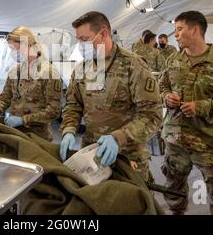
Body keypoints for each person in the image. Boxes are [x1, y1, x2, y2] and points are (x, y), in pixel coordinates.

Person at [159, 11, 213, 215]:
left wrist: (202, 107)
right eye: (175, 31)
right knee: (174, 189)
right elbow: (161, 85)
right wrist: (166, 96)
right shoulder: (173, 60)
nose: (176, 35)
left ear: (195, 30)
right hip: (175, 141)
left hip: (209, 142)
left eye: (180, 29)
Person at [59, 11, 162, 182]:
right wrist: (69, 130)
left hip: (128, 157)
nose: (79, 45)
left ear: (104, 34)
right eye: (78, 40)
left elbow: (152, 115)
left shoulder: (134, 66)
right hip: (92, 157)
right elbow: (73, 105)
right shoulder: (81, 69)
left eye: (84, 39)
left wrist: (119, 137)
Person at [0, 27, 62, 141]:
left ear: (27, 44)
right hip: (15, 134)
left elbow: (53, 112)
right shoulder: (15, 71)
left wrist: (23, 120)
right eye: (11, 49)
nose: (13, 53)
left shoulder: (48, 72)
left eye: (14, 48)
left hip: (38, 136)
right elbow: (4, 99)